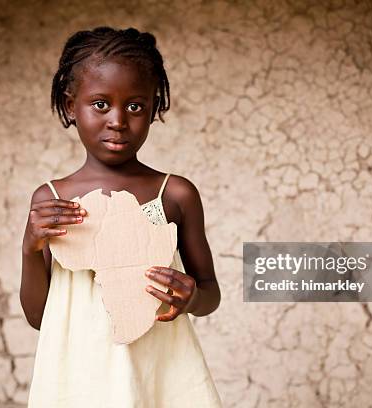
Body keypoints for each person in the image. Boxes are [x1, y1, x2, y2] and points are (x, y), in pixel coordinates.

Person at [20, 26, 223, 407]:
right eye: (100, 104)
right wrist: (30, 250)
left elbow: (210, 292)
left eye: (135, 106)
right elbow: (38, 318)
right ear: (70, 106)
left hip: (159, 372)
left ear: (153, 109)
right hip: (79, 377)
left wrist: (191, 298)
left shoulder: (175, 194)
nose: (118, 120)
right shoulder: (52, 200)